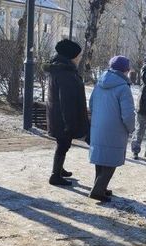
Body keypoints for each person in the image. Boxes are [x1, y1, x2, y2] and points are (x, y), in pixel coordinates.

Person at [88, 56, 136, 202]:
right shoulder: (123, 88)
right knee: (111, 161)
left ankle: (100, 186)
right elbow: (127, 114)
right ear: (125, 70)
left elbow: (91, 104)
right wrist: (131, 128)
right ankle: (97, 190)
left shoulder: (100, 83)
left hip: (98, 127)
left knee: (101, 159)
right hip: (115, 129)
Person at [45, 39, 89, 186]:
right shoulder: (65, 73)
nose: (80, 57)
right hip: (63, 118)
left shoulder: (60, 69)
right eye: (78, 55)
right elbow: (67, 101)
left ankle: (59, 169)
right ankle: (55, 175)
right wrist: (70, 123)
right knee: (63, 144)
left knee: (62, 144)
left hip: (58, 116)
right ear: (71, 56)